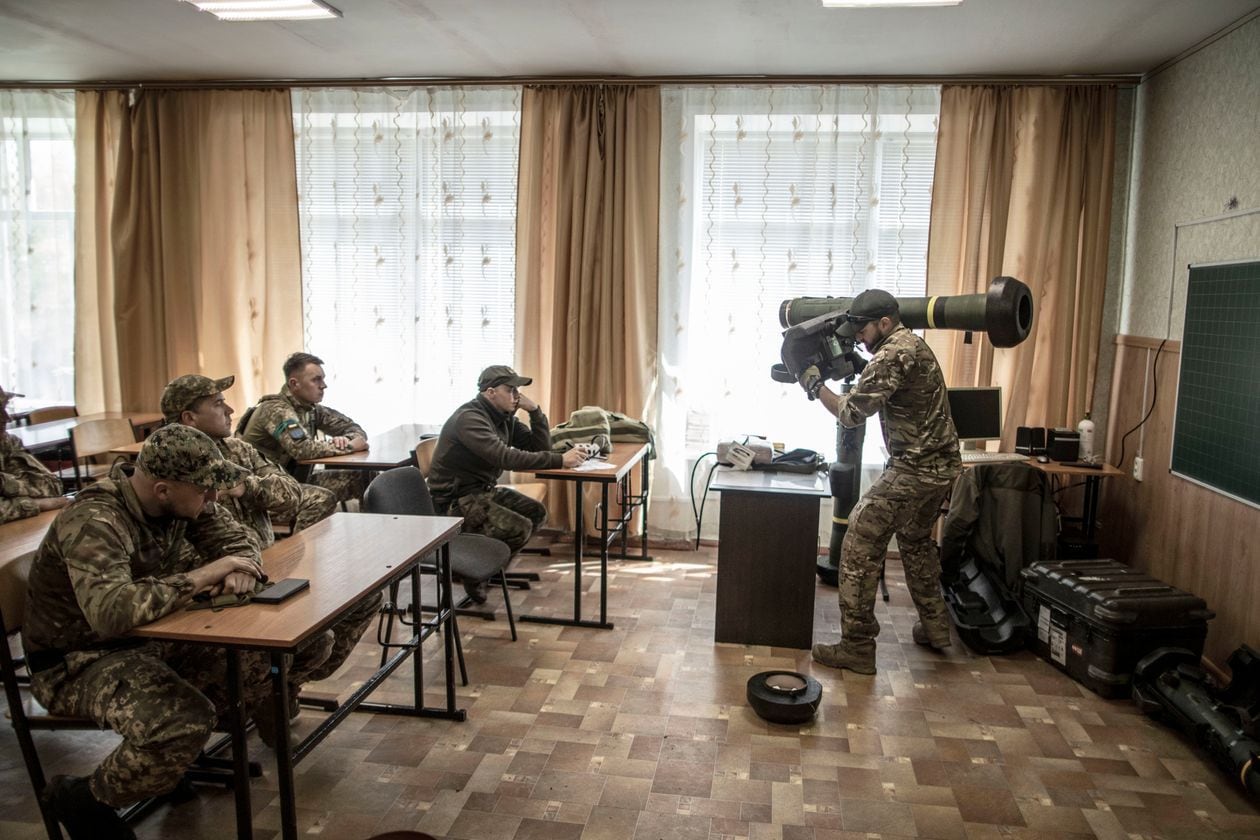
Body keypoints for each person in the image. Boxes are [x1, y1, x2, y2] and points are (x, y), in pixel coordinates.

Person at [22, 424, 270, 840]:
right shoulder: (94, 519)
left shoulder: (184, 500)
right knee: (182, 720)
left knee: (259, 664)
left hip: (148, 640)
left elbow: (239, 543)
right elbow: (111, 612)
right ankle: (86, 798)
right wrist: (205, 574)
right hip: (78, 661)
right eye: (204, 490)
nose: (213, 497)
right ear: (162, 490)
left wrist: (238, 570)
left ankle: (165, 765)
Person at [162, 373, 381, 729]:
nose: (231, 409)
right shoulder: (171, 466)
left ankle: (282, 688)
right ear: (189, 418)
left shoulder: (237, 450)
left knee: (366, 597)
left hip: (269, 565)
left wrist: (243, 485)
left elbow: (290, 495)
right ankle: (262, 697)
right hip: (223, 588)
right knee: (316, 638)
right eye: (218, 404)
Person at [798, 289, 960, 675]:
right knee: (916, 541)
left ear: (884, 324)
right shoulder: (910, 345)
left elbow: (851, 413)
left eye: (862, 329)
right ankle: (937, 629)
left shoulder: (891, 354)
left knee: (858, 540)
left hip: (915, 470)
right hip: (941, 467)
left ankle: (856, 646)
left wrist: (813, 385)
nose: (857, 337)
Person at [427, 365, 589, 601]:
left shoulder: (503, 418)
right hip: (455, 501)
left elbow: (539, 448)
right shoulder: (470, 419)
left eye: (517, 391)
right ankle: (471, 573)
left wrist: (535, 411)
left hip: (481, 492)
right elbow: (505, 457)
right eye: (511, 390)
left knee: (536, 513)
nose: (517, 396)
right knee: (518, 528)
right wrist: (560, 460)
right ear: (490, 392)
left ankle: (484, 572)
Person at [239, 352, 370, 506]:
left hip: (292, 482)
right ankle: (298, 532)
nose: (323, 385)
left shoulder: (311, 409)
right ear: (294, 384)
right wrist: (349, 446)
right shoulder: (276, 409)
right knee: (321, 499)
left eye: (323, 379)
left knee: (366, 478)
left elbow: (354, 429)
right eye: (316, 380)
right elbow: (303, 450)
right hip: (263, 491)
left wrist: (345, 439)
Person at [0, 385, 69, 523]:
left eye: (4, 408)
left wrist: (5, 484)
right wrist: (38, 504)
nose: (7, 418)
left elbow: (52, 486)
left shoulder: (6, 442)